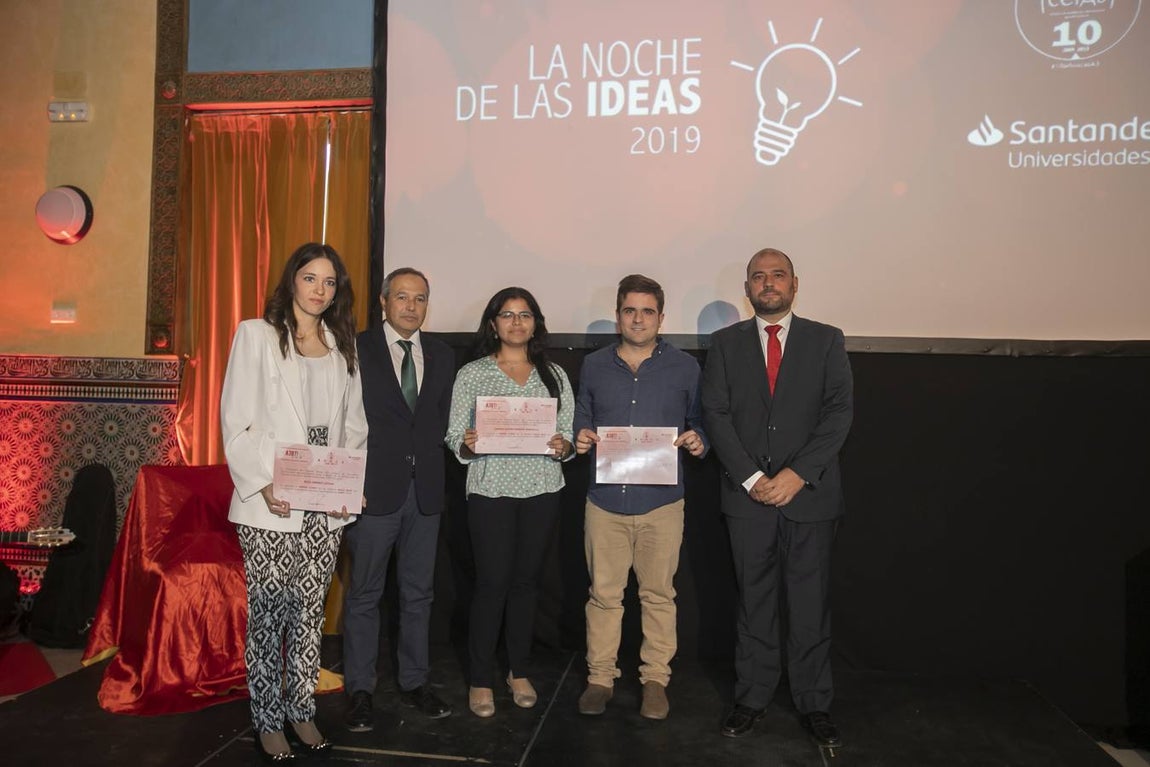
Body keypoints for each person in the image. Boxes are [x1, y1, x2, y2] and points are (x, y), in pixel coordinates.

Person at [220, 242, 368, 762]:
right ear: (292, 281)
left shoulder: (341, 346)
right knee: (268, 615)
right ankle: (266, 718)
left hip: (323, 507)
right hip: (269, 502)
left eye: (329, 283)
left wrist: (348, 486)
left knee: (308, 613)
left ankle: (301, 709)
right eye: (310, 279)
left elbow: (354, 429)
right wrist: (262, 482)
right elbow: (235, 420)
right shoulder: (256, 335)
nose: (320, 290)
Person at [701, 248, 853, 746]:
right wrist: (750, 477)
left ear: (795, 284)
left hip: (809, 497)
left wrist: (796, 475)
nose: (768, 284)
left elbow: (837, 415)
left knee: (810, 604)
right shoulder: (724, 344)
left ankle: (814, 702)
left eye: (777, 275)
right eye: (758, 277)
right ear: (746, 288)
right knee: (754, 603)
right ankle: (752, 697)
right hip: (746, 499)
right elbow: (716, 414)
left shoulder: (826, 340)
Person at [572, 274, 708, 720]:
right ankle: (600, 678)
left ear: (661, 318)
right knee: (604, 596)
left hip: (662, 504)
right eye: (630, 310)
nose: (638, 318)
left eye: (647, 311)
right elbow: (581, 417)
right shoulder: (593, 366)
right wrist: (581, 436)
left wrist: (697, 440)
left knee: (658, 596)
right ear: (618, 316)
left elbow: (699, 423)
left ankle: (654, 680)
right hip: (605, 501)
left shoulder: (686, 367)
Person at [445, 287, 575, 718]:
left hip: (541, 489)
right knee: (491, 584)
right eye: (507, 315)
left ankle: (519, 670)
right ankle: (481, 678)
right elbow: (453, 436)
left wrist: (563, 446)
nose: (516, 322)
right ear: (493, 324)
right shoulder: (473, 375)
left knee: (526, 584)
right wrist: (467, 442)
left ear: (536, 322)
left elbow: (569, 434)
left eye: (525, 315)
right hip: (490, 490)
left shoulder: (553, 374)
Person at [343, 268, 454, 731]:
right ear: (384, 302)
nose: (411, 306)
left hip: (425, 492)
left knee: (418, 595)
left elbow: (444, 422)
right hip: (372, 491)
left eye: (421, 298)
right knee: (365, 594)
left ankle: (414, 682)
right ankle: (360, 691)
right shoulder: (354, 348)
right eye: (402, 297)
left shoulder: (444, 355)